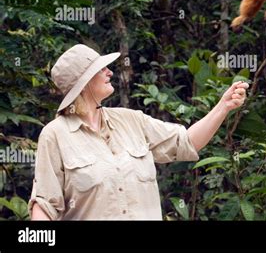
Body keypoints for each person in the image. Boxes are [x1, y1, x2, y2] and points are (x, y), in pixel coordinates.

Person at [28, 44, 249, 220]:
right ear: (84, 83)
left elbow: (187, 141)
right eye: (101, 69)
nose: (109, 71)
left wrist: (224, 106)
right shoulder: (55, 134)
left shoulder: (131, 119)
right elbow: (45, 205)